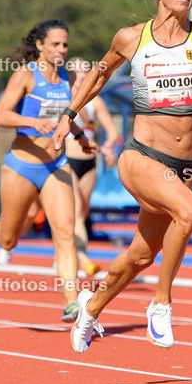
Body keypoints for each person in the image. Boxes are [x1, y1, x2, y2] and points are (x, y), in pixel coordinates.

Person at [53, 0, 192, 353]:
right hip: (141, 156)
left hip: (185, 167)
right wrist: (69, 115)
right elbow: (98, 73)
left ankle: (91, 309)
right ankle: (160, 304)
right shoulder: (132, 38)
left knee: (139, 256)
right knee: (190, 212)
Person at [0, 20, 96, 322]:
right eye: (55, 44)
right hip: (22, 167)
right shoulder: (26, 75)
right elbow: (1, 115)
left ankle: (72, 302)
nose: (61, 50)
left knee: (65, 233)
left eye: (65, 44)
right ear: (40, 45)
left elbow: (65, 115)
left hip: (56, 165)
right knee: (9, 240)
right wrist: (32, 123)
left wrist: (80, 136)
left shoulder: (67, 77)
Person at [65, 58, 119, 276]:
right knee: (76, 212)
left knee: (82, 213)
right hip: (67, 159)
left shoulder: (95, 101)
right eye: (77, 71)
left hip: (89, 163)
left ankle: (63, 254)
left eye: (86, 70)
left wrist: (108, 146)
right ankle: (86, 260)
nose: (82, 75)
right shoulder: (64, 97)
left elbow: (112, 131)